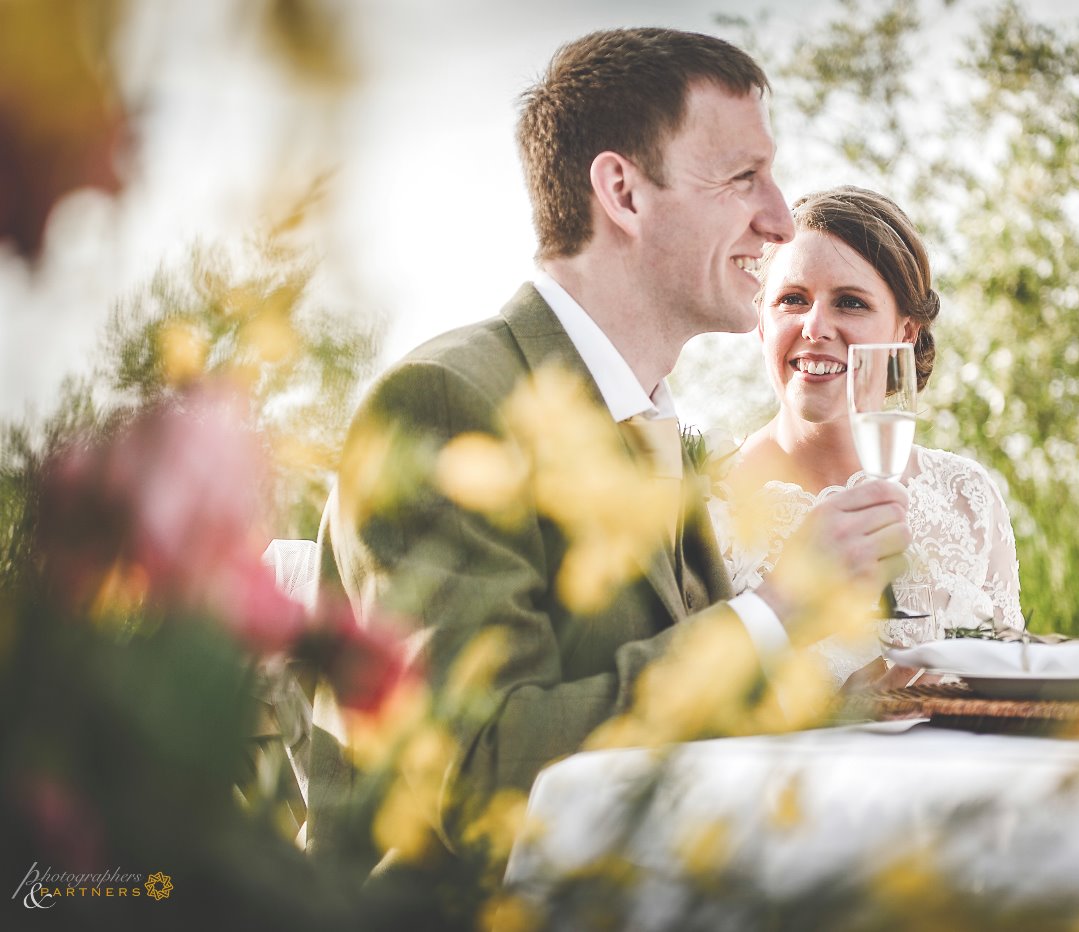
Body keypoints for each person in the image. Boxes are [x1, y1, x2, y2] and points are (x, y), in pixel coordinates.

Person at [306, 31, 911, 866]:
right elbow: (475, 774)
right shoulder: (448, 401)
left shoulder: (649, 422)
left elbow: (685, 724)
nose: (778, 218)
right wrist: (775, 613)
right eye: (743, 177)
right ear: (623, 192)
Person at [710, 186, 1024, 685]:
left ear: (906, 332)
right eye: (792, 299)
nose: (815, 326)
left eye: (850, 303)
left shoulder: (968, 497)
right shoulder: (706, 505)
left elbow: (1016, 695)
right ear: (761, 324)